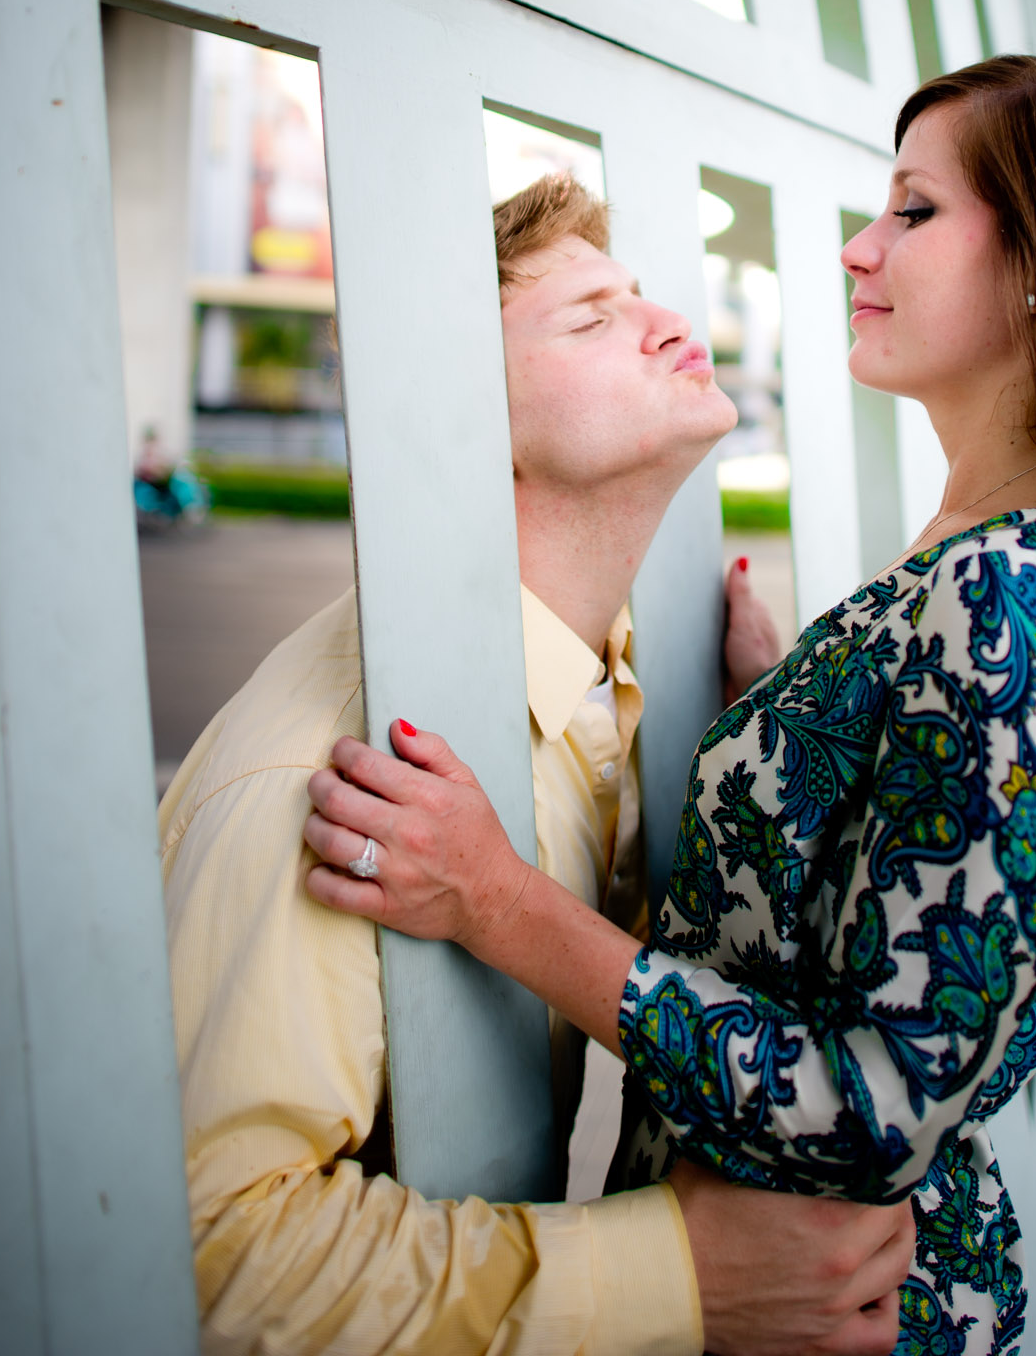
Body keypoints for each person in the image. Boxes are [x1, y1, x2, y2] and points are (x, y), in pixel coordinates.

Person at [306, 54, 1036, 1355]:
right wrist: (789, 710)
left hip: (829, 1305)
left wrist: (492, 897)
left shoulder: (1030, 597)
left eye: (913, 210)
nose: (861, 248)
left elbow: (873, 1104)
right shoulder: (1027, 558)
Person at [159, 172, 914, 1356]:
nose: (666, 322)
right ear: (469, 424)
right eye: (589, 317)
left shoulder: (618, 697)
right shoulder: (336, 777)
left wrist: (758, 774)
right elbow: (206, 1257)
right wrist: (680, 1276)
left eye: (637, 294)